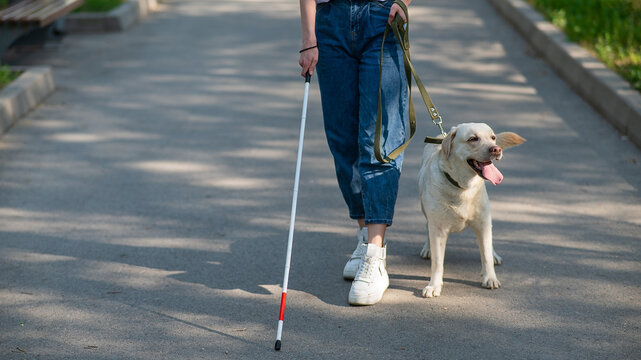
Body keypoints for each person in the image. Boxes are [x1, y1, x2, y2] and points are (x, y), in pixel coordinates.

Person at [299, 0, 411, 305]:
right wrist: (309, 39)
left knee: (377, 138)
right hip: (330, 20)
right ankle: (364, 233)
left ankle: (375, 254)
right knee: (342, 138)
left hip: (381, 16)